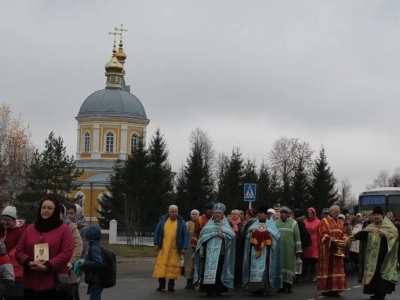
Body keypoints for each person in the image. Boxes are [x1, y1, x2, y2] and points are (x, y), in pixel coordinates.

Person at [15, 195, 74, 300]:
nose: (45, 210)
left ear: (55, 211)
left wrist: (48, 266)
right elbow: (19, 251)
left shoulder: (64, 230)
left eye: (49, 208)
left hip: (54, 284)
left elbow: (67, 252)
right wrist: (29, 262)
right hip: (31, 282)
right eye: (43, 207)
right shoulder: (29, 229)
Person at [354, 206, 398, 300]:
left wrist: (385, 235)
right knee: (374, 277)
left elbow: (395, 235)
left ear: (382, 215)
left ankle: (382, 295)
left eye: (378, 215)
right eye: (374, 215)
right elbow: (362, 234)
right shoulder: (371, 226)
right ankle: (376, 294)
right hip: (373, 257)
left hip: (385, 257)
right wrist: (350, 238)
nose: (376, 217)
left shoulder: (389, 226)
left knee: (382, 277)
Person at [193, 203, 235, 296]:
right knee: (208, 270)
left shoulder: (227, 226)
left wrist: (223, 235)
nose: (217, 215)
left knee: (219, 270)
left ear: (222, 215)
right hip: (209, 254)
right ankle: (209, 290)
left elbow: (232, 237)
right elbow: (202, 239)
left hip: (221, 252)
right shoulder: (208, 226)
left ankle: (219, 290)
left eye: (219, 213)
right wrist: (201, 251)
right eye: (215, 213)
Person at [242, 206, 282, 296]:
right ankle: (255, 289)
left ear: (265, 214)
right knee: (254, 269)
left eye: (261, 213)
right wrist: (253, 233)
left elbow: (276, 236)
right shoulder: (254, 224)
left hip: (266, 250)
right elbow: (248, 235)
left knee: (265, 269)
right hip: (254, 250)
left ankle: (265, 288)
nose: (259, 215)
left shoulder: (271, 224)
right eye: (258, 213)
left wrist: (267, 234)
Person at [153, 205, 188, 292]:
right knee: (162, 268)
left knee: (173, 269)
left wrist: (184, 247)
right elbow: (157, 232)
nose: (174, 213)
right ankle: (161, 285)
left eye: (176, 212)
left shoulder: (181, 222)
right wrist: (156, 244)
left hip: (175, 250)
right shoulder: (163, 220)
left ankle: (171, 286)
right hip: (163, 249)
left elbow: (185, 235)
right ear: (169, 212)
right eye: (172, 212)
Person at [317, 205, 348, 296]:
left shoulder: (340, 222)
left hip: (338, 249)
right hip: (327, 249)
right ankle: (326, 289)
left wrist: (345, 239)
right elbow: (323, 234)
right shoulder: (324, 221)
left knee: (337, 269)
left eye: (338, 212)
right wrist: (331, 239)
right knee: (327, 268)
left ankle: (336, 288)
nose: (337, 213)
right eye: (336, 211)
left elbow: (344, 233)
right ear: (331, 211)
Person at [275, 206, 302, 293]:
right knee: (280, 267)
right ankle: (281, 286)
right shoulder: (276, 223)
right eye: (281, 212)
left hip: (290, 250)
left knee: (289, 266)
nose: (283, 214)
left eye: (285, 213)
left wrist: (298, 251)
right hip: (279, 250)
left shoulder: (294, 223)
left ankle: (289, 286)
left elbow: (297, 237)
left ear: (288, 214)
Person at [0, 206, 25, 298]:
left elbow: (19, 247)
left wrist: (8, 256)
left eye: (8, 220)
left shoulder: (20, 231)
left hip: (13, 266)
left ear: (14, 221)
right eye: (3, 219)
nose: (5, 222)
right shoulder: (2, 229)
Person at [61, 204, 83, 300]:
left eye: (72, 213)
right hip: (55, 267)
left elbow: (80, 246)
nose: (70, 215)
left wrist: (72, 261)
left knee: (70, 293)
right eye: (68, 213)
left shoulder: (71, 226)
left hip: (71, 267)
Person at [78, 226, 104, 300]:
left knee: (95, 297)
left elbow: (98, 262)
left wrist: (84, 264)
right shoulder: (94, 246)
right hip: (96, 279)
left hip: (97, 279)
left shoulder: (94, 247)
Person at [303, 207, 320, 282]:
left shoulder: (318, 222)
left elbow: (320, 233)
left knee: (315, 260)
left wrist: (319, 242)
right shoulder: (304, 222)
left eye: (311, 213)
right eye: (308, 213)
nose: (309, 214)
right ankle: (307, 275)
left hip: (315, 241)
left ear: (314, 213)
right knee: (307, 260)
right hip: (307, 242)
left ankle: (316, 275)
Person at [184, 209, 199, 289]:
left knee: (196, 263)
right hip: (189, 247)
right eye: (192, 214)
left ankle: (196, 281)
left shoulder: (200, 223)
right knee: (188, 263)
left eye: (196, 214)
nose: (194, 215)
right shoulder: (187, 224)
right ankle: (189, 282)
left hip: (197, 246)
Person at [228, 209, 243, 288]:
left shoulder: (242, 224)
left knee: (237, 264)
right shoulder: (228, 224)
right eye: (232, 214)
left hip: (238, 246)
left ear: (239, 216)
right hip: (229, 245)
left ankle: (237, 281)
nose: (234, 216)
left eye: (235, 214)